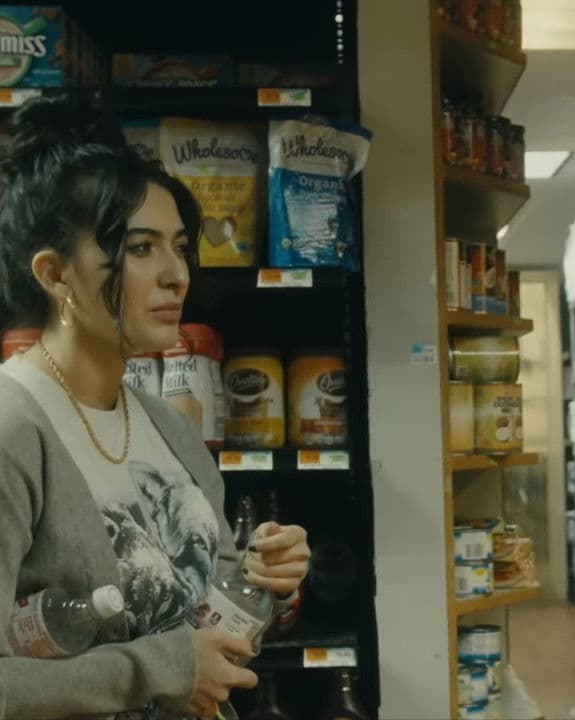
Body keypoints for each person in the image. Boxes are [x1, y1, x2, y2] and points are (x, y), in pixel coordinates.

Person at [0, 97, 312, 719]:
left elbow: (212, 637)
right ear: (56, 275)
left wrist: (267, 582)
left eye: (181, 246)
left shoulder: (170, 427)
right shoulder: (14, 430)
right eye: (141, 249)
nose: (177, 275)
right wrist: (161, 669)